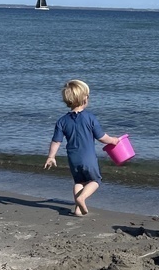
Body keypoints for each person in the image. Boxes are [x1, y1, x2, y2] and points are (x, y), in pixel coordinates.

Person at [44, 79, 121, 216]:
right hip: (88, 157)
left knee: (79, 181)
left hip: (73, 158)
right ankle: (82, 198)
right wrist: (114, 141)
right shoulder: (90, 117)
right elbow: (101, 137)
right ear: (84, 99)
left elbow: (56, 141)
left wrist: (51, 157)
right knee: (95, 180)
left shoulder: (62, 121)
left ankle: (78, 209)